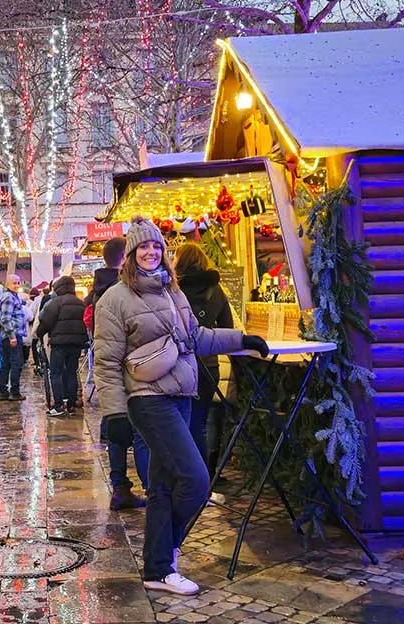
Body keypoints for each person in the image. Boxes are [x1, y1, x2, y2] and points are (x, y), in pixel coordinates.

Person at [93, 218, 267, 596]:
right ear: (131, 254)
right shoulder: (115, 299)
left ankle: (158, 568)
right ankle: (164, 553)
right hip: (148, 399)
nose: (151, 252)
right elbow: (105, 363)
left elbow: (197, 337)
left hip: (182, 395)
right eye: (143, 247)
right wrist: (114, 413)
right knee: (196, 480)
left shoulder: (173, 291)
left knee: (163, 487)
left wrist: (242, 339)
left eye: (156, 246)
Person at [86, 237, 149, 511]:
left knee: (117, 430)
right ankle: (153, 492)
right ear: (126, 257)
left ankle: (121, 487)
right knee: (140, 432)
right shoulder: (121, 289)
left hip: (111, 369)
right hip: (132, 368)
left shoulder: (99, 287)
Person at [173, 243, 235, 473]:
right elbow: (227, 329)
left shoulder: (174, 290)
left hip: (179, 365)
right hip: (209, 367)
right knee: (199, 425)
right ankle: (203, 477)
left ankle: (185, 476)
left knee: (180, 425)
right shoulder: (216, 290)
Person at [35, 276, 87, 416]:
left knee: (55, 373)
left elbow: (45, 322)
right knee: (72, 372)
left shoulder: (55, 303)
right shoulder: (80, 303)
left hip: (59, 344)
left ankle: (58, 405)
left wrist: (39, 334)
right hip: (76, 343)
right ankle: (71, 405)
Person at [0, 275, 27, 401]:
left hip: (10, 335)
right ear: (7, 284)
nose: (17, 285)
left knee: (7, 363)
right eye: (14, 283)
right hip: (12, 335)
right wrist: (12, 336)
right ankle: (14, 391)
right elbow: (5, 319)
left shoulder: (13, 296)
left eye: (18, 283)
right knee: (15, 364)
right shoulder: (9, 297)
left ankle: (3, 391)